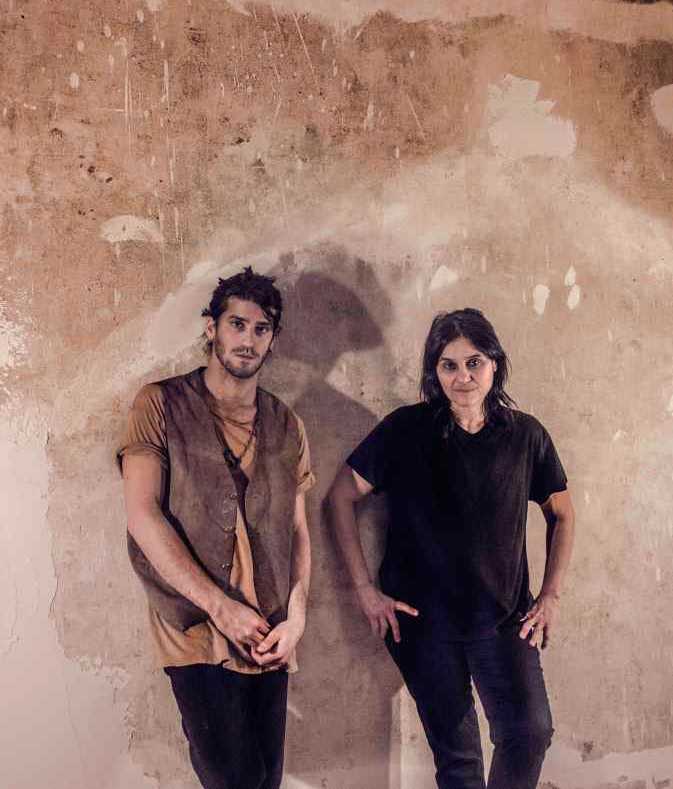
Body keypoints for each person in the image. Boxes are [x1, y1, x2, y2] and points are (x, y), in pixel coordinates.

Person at [329, 307, 575, 789]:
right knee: (459, 763)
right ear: (434, 371)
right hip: (422, 627)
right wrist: (364, 590)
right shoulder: (404, 430)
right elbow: (340, 497)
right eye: (449, 365)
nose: (463, 377)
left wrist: (550, 596)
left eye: (474, 362)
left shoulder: (525, 435)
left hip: (505, 619)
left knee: (529, 732)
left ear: (495, 364)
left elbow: (562, 514)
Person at [119, 267, 313, 789]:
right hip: (196, 629)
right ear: (212, 328)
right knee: (234, 778)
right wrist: (220, 607)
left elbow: (298, 531)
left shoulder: (287, 424)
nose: (248, 340)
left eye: (261, 329)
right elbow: (142, 515)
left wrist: (296, 619)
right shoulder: (159, 403)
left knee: (266, 780)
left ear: (273, 338)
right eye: (237, 324)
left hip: (268, 631)